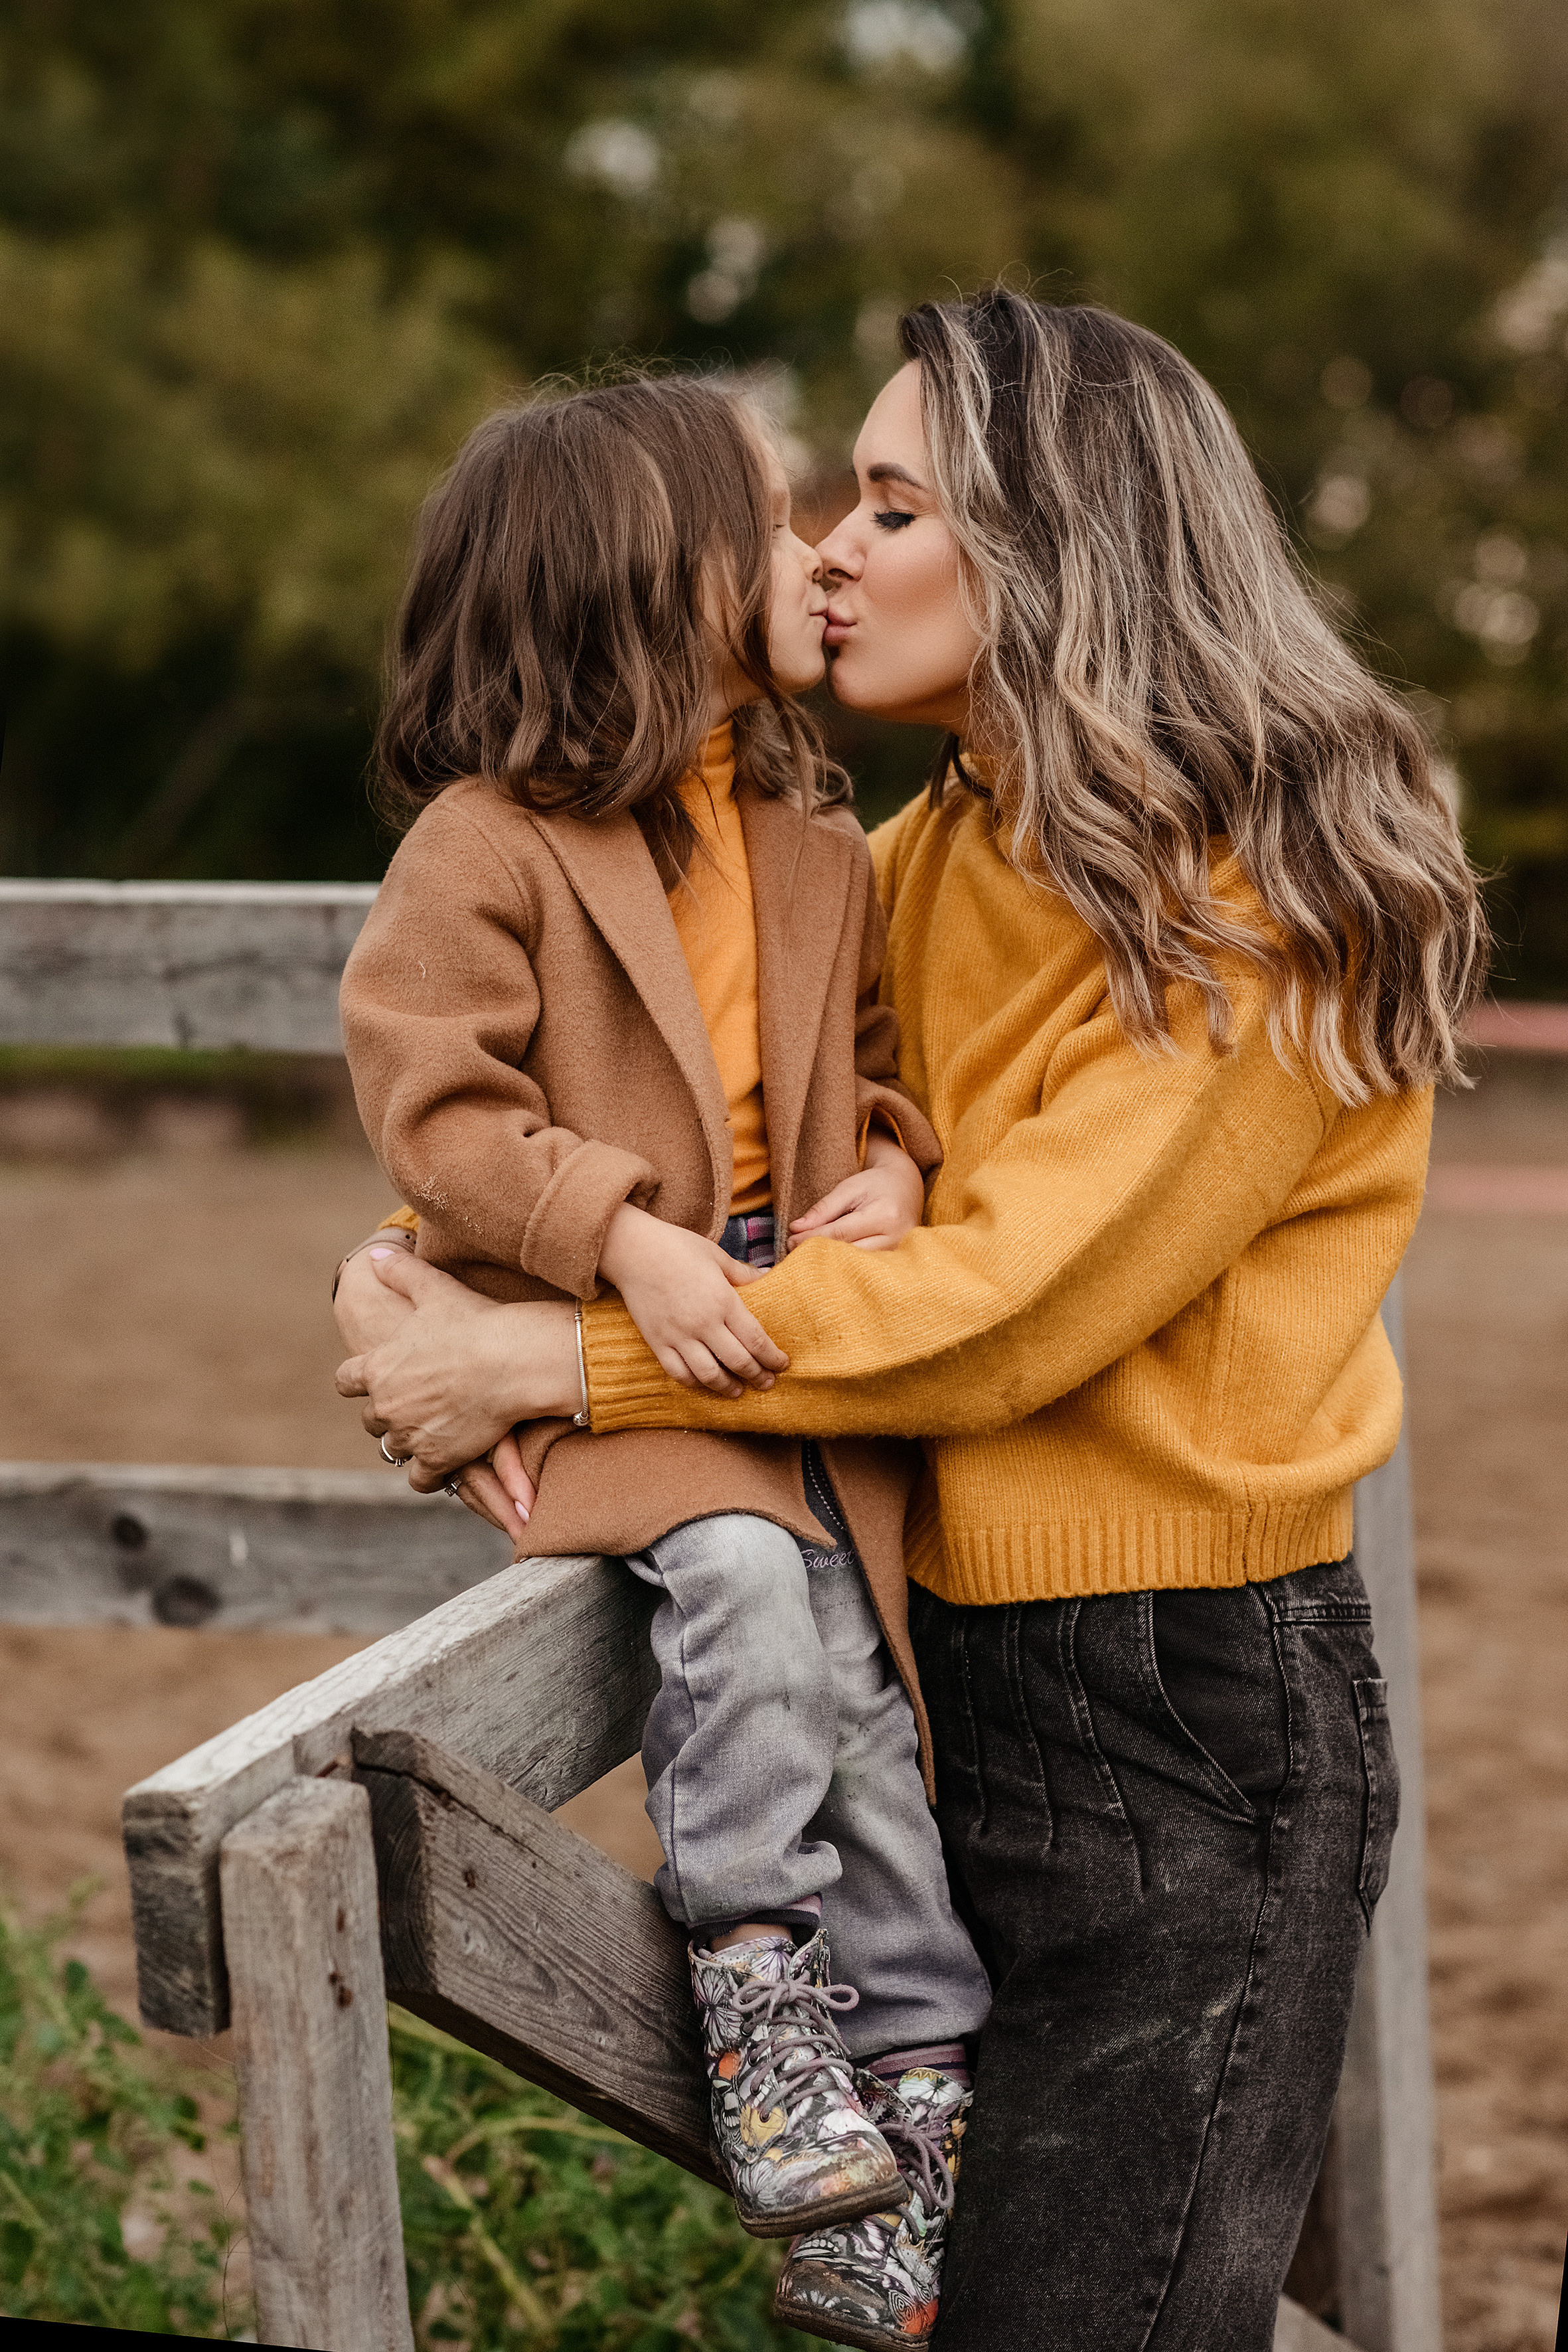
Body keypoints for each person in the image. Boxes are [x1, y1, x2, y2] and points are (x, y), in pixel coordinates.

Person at [337, 291, 1486, 2347]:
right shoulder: (912, 855)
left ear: (1054, 540)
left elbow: (1004, 1307)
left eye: (885, 503)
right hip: (935, 1653)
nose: (827, 554)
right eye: (828, 505)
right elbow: (647, 1105)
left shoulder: (1263, 889)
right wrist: (412, 1279)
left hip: (1178, 1718)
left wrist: (552, 1359)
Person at [334, 373, 990, 2344]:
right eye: (775, 521)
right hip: (636, 1354)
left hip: (786, 1362)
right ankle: (756, 1990)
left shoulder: (814, 837)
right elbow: (432, 1112)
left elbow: (871, 1071)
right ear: (651, 582)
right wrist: (612, 1228)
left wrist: (887, 1162)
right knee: (734, 1599)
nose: (813, 551)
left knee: (873, 1710)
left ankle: (913, 2115)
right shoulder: (482, 847)